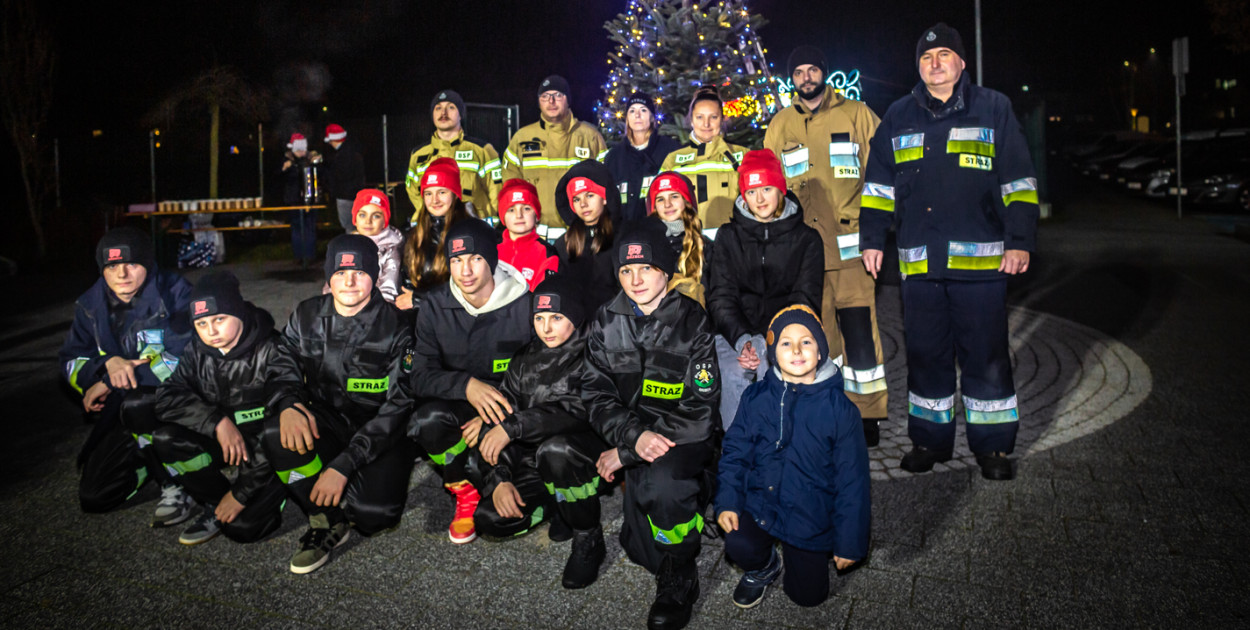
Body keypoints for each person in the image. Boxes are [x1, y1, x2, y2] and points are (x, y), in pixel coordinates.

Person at [860, 23, 1039, 481]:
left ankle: (994, 447)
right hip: (919, 267)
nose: (935, 64)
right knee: (925, 355)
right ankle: (929, 440)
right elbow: (878, 187)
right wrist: (872, 239)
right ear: (918, 67)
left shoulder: (993, 108)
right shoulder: (898, 115)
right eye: (926, 57)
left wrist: (1020, 241)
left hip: (981, 267)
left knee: (986, 356)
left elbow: (1018, 180)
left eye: (943, 55)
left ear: (961, 62)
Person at [582, 221, 720, 630]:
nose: (635, 279)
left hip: (683, 439)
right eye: (626, 271)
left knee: (663, 490)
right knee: (642, 548)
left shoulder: (692, 320)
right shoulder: (605, 321)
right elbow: (594, 393)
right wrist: (631, 437)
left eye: (645, 268)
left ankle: (681, 572)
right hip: (631, 434)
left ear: (665, 270)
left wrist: (628, 451)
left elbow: (701, 409)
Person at [263, 234, 418, 573]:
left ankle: (349, 487)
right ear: (328, 276)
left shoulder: (397, 327)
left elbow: (399, 405)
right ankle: (325, 521)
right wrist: (288, 403)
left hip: (382, 431)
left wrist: (345, 464)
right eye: (340, 272)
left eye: (360, 272)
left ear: (375, 276)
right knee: (277, 431)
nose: (349, 281)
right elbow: (281, 365)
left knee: (374, 517)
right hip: (329, 420)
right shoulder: (306, 314)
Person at [764, 45, 888, 446]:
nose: (806, 77)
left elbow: (884, 172)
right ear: (792, 79)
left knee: (860, 336)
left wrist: (877, 234)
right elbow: (769, 188)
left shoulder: (857, 115)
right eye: (798, 72)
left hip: (852, 253)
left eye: (812, 69)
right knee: (817, 337)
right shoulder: (780, 124)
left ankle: (868, 416)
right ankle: (826, 407)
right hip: (804, 255)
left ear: (824, 73)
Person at [715, 304, 870, 609]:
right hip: (763, 503)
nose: (797, 350)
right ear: (773, 352)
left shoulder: (841, 411)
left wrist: (850, 542)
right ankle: (764, 565)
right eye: (786, 342)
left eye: (807, 341)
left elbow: (853, 482)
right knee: (737, 542)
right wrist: (728, 500)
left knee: (808, 597)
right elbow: (735, 452)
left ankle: (801, 559)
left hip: (809, 515)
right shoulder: (755, 397)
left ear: (821, 352)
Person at [470, 275, 611, 588]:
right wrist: (501, 478)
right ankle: (558, 505)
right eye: (539, 318)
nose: (546, 328)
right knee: (489, 518)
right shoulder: (523, 358)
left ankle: (588, 535)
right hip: (535, 461)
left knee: (555, 451)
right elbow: (500, 417)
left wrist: (514, 426)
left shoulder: (596, 353)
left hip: (585, 458)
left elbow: (576, 410)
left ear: (574, 317)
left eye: (557, 318)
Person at [406, 218, 533, 545]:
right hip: (460, 409)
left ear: (491, 260)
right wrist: (465, 386)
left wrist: (495, 413)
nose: (465, 270)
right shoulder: (434, 305)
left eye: (475, 259)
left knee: (497, 521)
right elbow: (419, 375)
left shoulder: (526, 304)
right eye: (457, 260)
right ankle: (463, 487)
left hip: (515, 414)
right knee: (425, 421)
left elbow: (542, 378)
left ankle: (511, 479)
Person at [59, 227, 194, 523]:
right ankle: (146, 460)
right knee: (95, 496)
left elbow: (184, 359)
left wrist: (112, 379)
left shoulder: (176, 295)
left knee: (139, 404)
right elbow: (70, 360)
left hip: (173, 405)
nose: (122, 274)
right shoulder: (89, 305)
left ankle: (177, 482)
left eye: (132, 264)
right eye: (111, 266)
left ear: (147, 264)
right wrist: (103, 366)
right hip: (122, 411)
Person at [152, 272, 287, 545]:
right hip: (226, 443)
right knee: (165, 439)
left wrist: (242, 492)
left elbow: (280, 432)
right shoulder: (197, 350)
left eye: (219, 319)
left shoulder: (274, 351)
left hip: (269, 454)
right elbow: (167, 397)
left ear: (239, 312)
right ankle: (214, 502)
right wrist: (216, 422)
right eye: (201, 323)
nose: (210, 331)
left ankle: (271, 495)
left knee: (243, 528)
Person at [706, 150, 824, 428]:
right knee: (736, 375)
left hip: (787, 334)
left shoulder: (807, 239)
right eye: (751, 191)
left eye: (767, 189)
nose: (759, 200)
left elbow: (804, 298)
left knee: (781, 376)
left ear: (781, 190)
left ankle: (786, 452)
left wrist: (771, 343)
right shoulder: (728, 236)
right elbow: (721, 296)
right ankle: (740, 455)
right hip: (735, 334)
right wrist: (743, 339)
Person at [503, 75, 608, 231]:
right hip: (536, 234)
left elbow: (606, 183)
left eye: (558, 95)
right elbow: (510, 186)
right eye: (545, 96)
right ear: (539, 101)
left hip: (579, 232)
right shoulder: (522, 138)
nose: (551, 101)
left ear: (568, 100)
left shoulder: (590, 137)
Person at [404, 89, 502, 223]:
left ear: (461, 115)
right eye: (438, 108)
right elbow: (412, 191)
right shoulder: (418, 154)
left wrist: (490, 222)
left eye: (450, 107)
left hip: (473, 227)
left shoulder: (482, 150)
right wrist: (428, 217)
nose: (443, 113)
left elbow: (497, 190)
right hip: (433, 230)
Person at [659, 87, 747, 231]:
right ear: (691, 120)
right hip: (690, 243)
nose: (706, 124)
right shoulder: (673, 160)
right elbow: (659, 204)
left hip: (732, 242)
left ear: (722, 118)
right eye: (700, 117)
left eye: (713, 117)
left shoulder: (741, 154)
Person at [397, 157, 473, 311]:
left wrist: (420, 299)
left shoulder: (470, 234)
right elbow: (407, 287)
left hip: (457, 321)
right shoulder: (413, 236)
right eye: (428, 193)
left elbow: (472, 290)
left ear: (454, 194)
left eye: (442, 192)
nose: (435, 200)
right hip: (421, 321)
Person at [602, 92, 682, 224]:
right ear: (627, 118)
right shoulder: (614, 157)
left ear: (652, 117)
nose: (637, 115)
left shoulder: (670, 150)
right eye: (632, 111)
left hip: (660, 233)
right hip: (623, 235)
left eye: (643, 110)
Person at [552, 160, 621, 309]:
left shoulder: (623, 238)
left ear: (605, 197)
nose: (583, 204)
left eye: (589, 195)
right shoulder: (563, 244)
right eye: (576, 199)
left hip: (616, 324)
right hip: (577, 325)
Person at [645, 171, 712, 306]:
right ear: (653, 207)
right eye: (660, 199)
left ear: (686, 201)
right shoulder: (645, 248)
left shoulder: (707, 247)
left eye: (674, 196)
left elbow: (716, 297)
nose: (667, 204)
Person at [339, 189, 403, 303]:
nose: (368, 221)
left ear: (384, 222)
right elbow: (333, 284)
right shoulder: (346, 247)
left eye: (376, 216)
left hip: (375, 311)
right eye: (362, 215)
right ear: (355, 220)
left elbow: (388, 291)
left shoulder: (390, 251)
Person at [496, 178, 560, 290]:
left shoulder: (547, 253)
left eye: (526, 208)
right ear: (503, 217)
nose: (519, 215)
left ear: (536, 215)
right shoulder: (491, 249)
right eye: (511, 210)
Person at [280, 132, 322, 267]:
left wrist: (318, 162)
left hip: (311, 199)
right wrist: (284, 170)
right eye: (298, 149)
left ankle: (309, 255)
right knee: (297, 228)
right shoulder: (287, 160)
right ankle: (298, 255)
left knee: (309, 227)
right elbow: (279, 180)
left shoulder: (312, 159)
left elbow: (321, 175)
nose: (301, 152)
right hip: (294, 200)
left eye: (303, 149)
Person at [323, 123, 366, 231]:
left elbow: (339, 175)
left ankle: (351, 247)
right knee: (357, 224)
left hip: (344, 195)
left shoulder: (341, 155)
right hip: (356, 193)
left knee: (348, 225)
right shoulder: (353, 150)